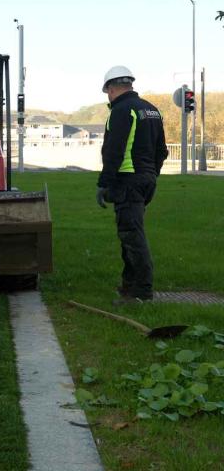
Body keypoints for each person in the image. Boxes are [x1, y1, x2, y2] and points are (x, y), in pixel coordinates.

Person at [96, 66, 168, 305]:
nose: (108, 96)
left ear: (112, 88)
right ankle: (128, 286)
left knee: (132, 235)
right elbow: (162, 150)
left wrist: (103, 183)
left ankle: (141, 293)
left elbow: (113, 151)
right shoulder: (151, 110)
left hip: (127, 180)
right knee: (129, 232)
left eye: (108, 91)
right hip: (146, 181)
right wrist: (151, 175)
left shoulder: (120, 111)